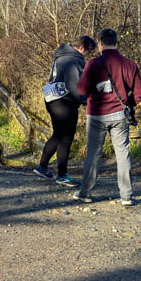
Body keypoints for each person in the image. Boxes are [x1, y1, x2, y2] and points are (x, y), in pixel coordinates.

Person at [74, 28, 141, 206]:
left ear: (100, 43)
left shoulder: (92, 64)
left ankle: (85, 192)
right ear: (116, 42)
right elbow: (140, 92)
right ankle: (126, 196)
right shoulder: (130, 64)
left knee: (93, 155)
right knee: (122, 154)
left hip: (96, 114)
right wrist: (128, 103)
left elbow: (81, 89)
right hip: (120, 114)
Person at [33, 35, 97, 186]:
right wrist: (84, 100)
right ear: (81, 47)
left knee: (58, 134)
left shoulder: (61, 55)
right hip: (65, 102)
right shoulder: (73, 59)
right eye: (88, 51)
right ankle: (62, 175)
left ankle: (42, 167)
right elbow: (74, 85)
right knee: (66, 138)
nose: (88, 54)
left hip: (52, 100)